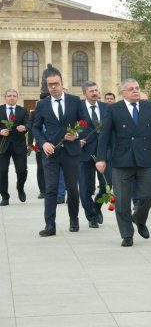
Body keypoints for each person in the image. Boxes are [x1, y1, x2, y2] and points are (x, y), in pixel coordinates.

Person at [95, 78, 151, 247]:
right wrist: (101, 159)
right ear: (124, 93)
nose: (136, 91)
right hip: (121, 160)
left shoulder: (150, 107)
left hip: (145, 159)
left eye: (137, 88)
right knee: (121, 201)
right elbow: (104, 135)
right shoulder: (114, 109)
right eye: (132, 89)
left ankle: (139, 219)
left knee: (148, 195)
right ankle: (127, 234)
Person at [32, 70, 85, 236]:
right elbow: (35, 127)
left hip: (71, 152)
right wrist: (43, 143)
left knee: (72, 189)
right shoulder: (42, 105)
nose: (53, 87)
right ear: (47, 87)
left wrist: (76, 134)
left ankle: (74, 220)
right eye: (50, 85)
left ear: (62, 84)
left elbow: (83, 123)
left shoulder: (75, 101)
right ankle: (50, 225)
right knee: (51, 189)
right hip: (51, 153)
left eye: (56, 84)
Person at [78, 81, 108, 228]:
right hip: (83, 154)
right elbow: (69, 127)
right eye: (91, 91)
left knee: (106, 186)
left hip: (103, 153)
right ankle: (91, 217)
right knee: (84, 189)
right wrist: (76, 139)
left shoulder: (106, 108)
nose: (95, 93)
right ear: (85, 93)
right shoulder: (78, 108)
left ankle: (96, 206)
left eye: (96, 90)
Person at [0, 89, 29, 206]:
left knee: (22, 170)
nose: (11, 98)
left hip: (19, 145)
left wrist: (25, 127)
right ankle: (4, 196)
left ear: (17, 98)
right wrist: (0, 131)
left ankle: (20, 187)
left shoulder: (23, 110)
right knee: (2, 172)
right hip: (3, 146)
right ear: (5, 97)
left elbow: (30, 124)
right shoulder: (0, 109)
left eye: (14, 96)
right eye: (9, 96)